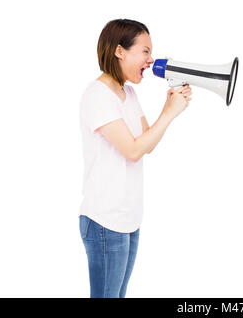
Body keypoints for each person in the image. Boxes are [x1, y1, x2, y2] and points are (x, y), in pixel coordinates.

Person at [78, 19, 192, 298]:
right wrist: (168, 112)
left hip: (128, 219)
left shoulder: (128, 92)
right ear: (119, 51)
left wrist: (171, 111)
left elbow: (146, 143)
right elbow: (132, 150)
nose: (151, 59)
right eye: (145, 51)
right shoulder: (97, 96)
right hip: (106, 221)